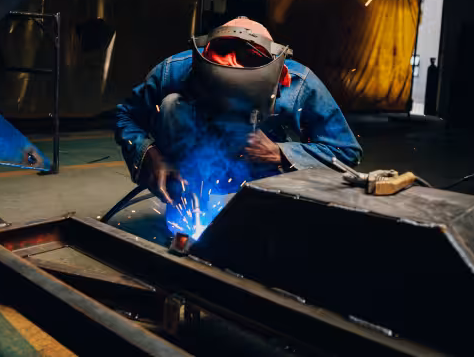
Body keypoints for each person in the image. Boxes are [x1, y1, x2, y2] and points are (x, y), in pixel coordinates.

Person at [114, 17, 361, 241]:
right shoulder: (173, 71)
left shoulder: (299, 84)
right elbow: (126, 116)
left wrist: (281, 153)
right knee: (171, 105)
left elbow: (346, 151)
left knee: (260, 238)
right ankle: (187, 209)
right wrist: (150, 154)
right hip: (191, 163)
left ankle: (260, 213)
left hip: (256, 163)